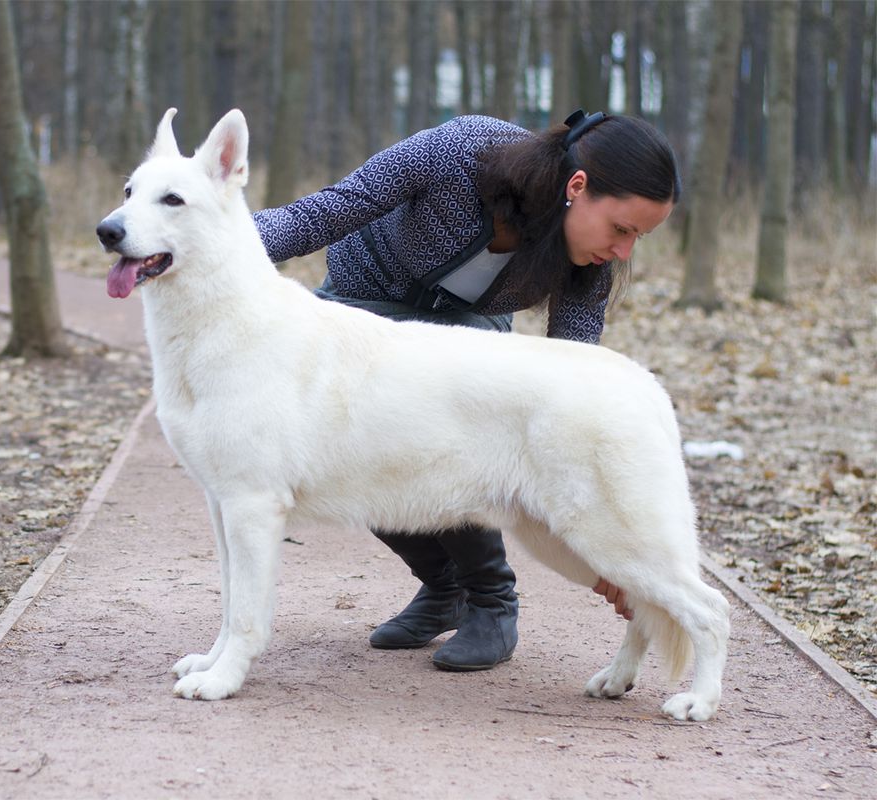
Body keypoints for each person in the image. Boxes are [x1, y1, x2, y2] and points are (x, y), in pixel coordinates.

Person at [252, 110, 679, 672]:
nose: (624, 251)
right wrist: (213, 248)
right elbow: (327, 211)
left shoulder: (588, 263)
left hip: (462, 333)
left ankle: (491, 600)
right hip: (364, 308)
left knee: (461, 436)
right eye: (622, 229)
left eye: (638, 238)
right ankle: (443, 586)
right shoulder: (460, 153)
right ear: (578, 188)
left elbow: (571, 380)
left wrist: (610, 551)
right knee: (355, 454)